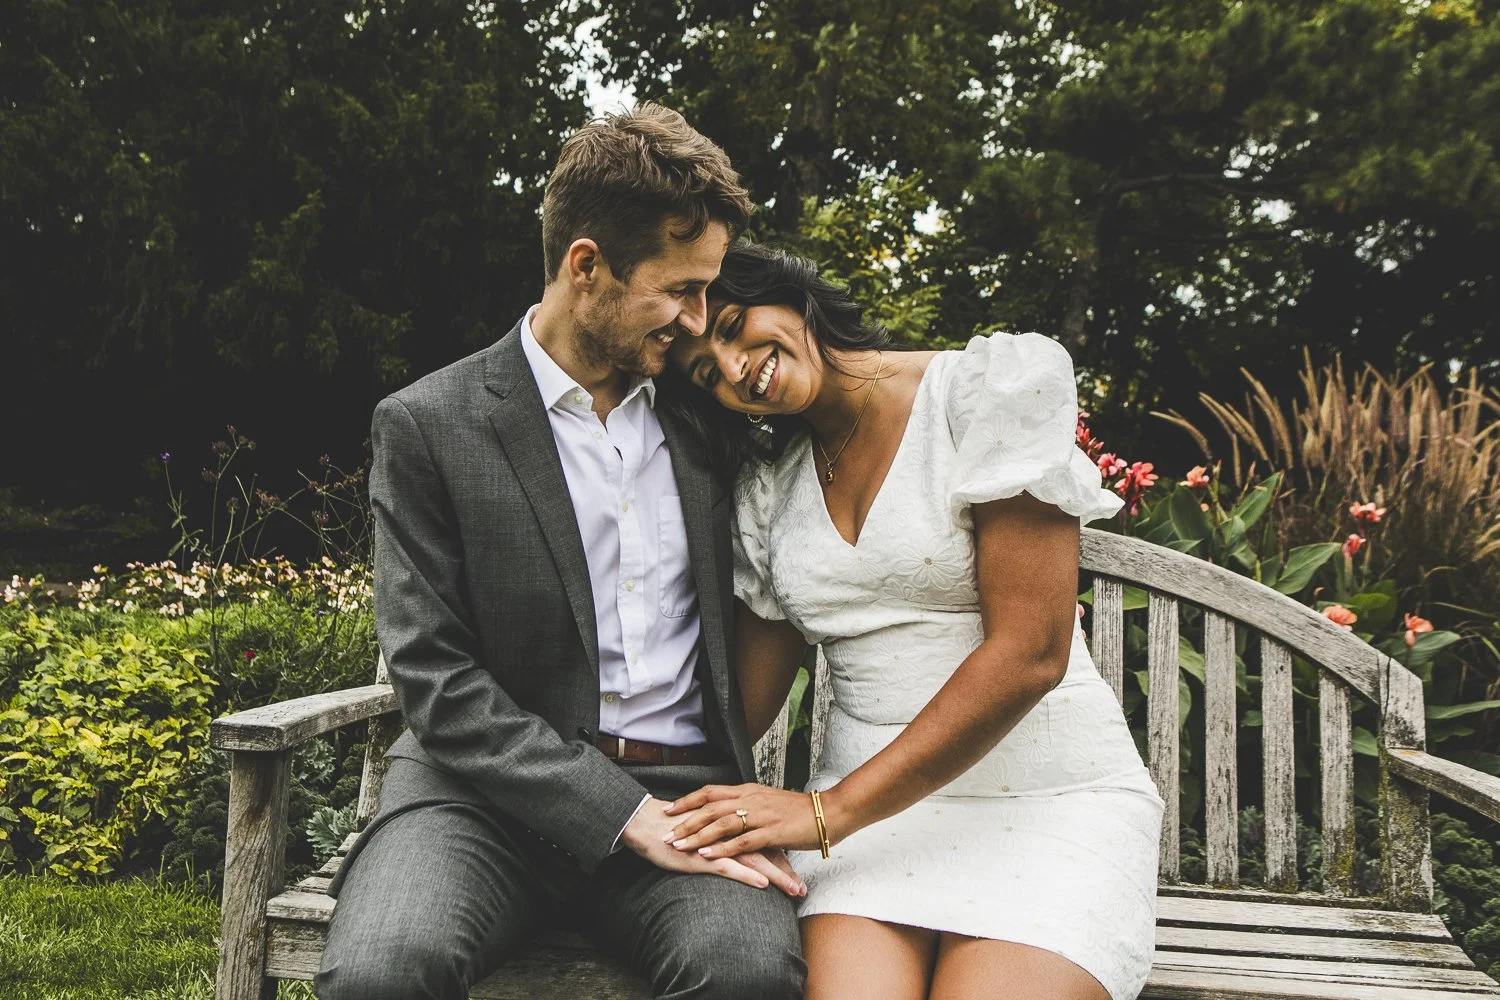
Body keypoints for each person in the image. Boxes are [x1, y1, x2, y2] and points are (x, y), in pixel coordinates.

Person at [315, 107, 806, 1000]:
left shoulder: (709, 413)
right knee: (384, 970)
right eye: (681, 289)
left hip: (688, 799)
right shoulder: (429, 424)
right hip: (478, 806)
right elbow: (435, 679)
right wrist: (615, 813)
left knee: (747, 973)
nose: (701, 321)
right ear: (587, 266)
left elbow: (839, 393)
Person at [657, 242, 1164, 1000]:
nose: (734, 368)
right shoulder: (771, 490)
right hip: (869, 836)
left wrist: (825, 814)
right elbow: (738, 709)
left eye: (733, 324)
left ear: (789, 294)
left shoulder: (986, 390)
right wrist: (593, 775)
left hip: (1048, 805)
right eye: (707, 374)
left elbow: (1031, 654)